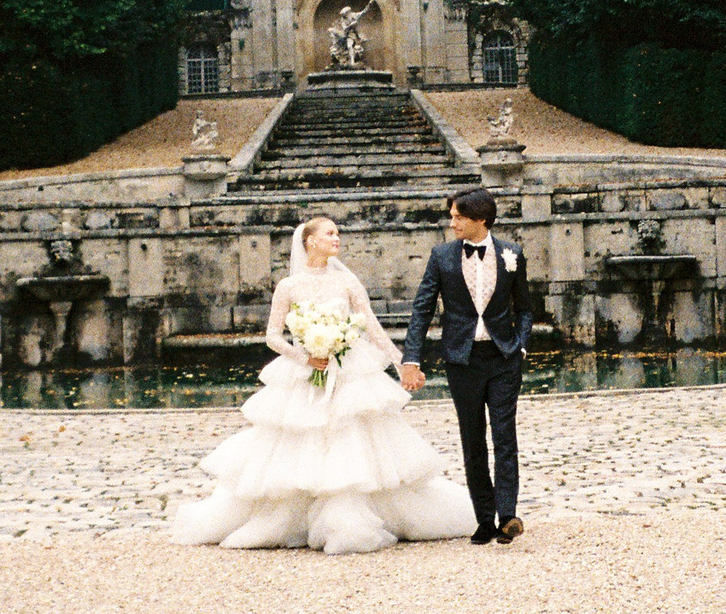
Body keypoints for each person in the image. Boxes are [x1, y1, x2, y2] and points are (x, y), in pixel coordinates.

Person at [169, 216, 477, 554]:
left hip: (348, 370)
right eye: (330, 233)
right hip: (307, 371)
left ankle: (353, 514)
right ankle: (296, 516)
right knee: (300, 439)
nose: (337, 238)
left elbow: (371, 328)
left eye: (338, 233)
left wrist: (402, 363)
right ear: (310, 241)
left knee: (352, 436)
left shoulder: (347, 283)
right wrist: (303, 357)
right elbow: (272, 336)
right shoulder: (288, 286)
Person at [401, 187, 534, 546]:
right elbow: (422, 309)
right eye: (452, 215)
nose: (452, 222)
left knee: (505, 436)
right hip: (463, 360)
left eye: (459, 216)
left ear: (481, 219)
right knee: (472, 439)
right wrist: (411, 358)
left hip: (504, 357)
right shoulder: (441, 256)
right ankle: (483, 519)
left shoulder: (512, 253)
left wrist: (520, 346)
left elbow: (524, 307)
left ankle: (508, 515)